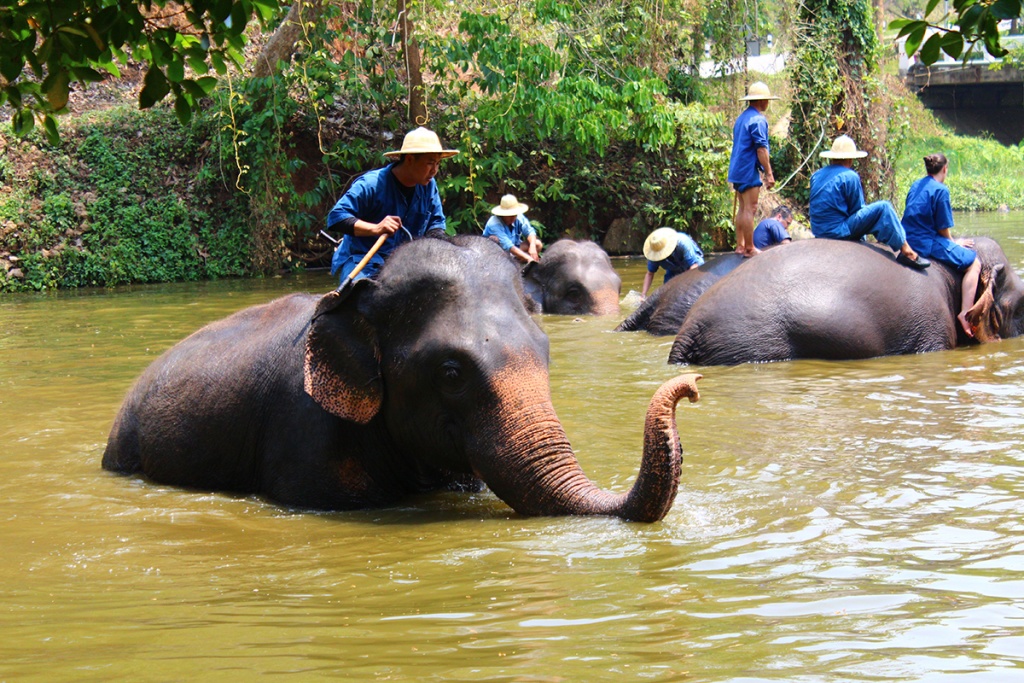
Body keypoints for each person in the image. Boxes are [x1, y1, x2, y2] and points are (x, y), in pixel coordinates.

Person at [327, 127, 459, 283]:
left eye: (438, 164)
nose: (434, 170)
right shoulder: (371, 184)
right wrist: (376, 228)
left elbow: (435, 227)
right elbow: (336, 218)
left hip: (404, 265)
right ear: (409, 159)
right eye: (430, 163)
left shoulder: (429, 186)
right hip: (363, 261)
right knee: (363, 296)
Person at [809, 134, 930, 270]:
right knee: (884, 208)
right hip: (837, 230)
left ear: (831, 158)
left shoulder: (816, 175)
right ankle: (907, 252)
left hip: (818, 230)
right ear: (850, 159)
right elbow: (857, 210)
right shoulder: (850, 176)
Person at [902, 152, 981, 336]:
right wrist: (956, 243)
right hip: (925, 242)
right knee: (974, 264)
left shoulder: (916, 184)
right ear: (945, 169)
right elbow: (942, 229)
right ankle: (965, 312)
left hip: (906, 239)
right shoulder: (941, 190)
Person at [728, 81, 778, 258]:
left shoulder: (742, 118)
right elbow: (761, 149)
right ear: (762, 101)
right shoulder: (758, 120)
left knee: (743, 207)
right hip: (748, 169)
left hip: (737, 169)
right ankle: (749, 247)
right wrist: (769, 173)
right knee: (751, 208)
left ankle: (740, 245)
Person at [641, 227, 705, 298]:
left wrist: (682, 284)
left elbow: (694, 266)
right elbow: (650, 273)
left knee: (693, 292)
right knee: (666, 294)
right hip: (673, 269)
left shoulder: (683, 242)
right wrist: (643, 294)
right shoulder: (654, 254)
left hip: (693, 265)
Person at [482, 194, 543, 263]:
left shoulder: (518, 217)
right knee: (494, 238)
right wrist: (528, 258)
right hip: (497, 254)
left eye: (514, 215)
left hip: (514, 249)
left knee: (537, 244)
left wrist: (532, 246)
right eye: (510, 215)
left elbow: (529, 231)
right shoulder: (494, 224)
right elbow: (508, 246)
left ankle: (516, 263)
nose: (513, 218)